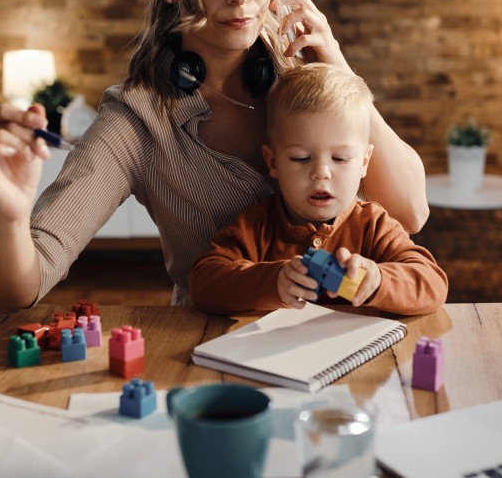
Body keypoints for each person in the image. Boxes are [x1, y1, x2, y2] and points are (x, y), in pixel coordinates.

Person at [0, 0, 429, 312]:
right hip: (216, 351)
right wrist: (10, 214)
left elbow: (409, 213)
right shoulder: (137, 122)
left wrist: (341, 72)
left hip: (345, 337)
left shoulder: (307, 75)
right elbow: (18, 291)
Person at [189, 63, 448, 315]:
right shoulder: (256, 226)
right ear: (273, 161)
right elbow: (203, 282)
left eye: (340, 159)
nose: (321, 172)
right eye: (301, 158)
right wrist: (273, 281)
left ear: (364, 162)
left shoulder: (373, 225)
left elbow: (432, 284)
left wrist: (378, 279)